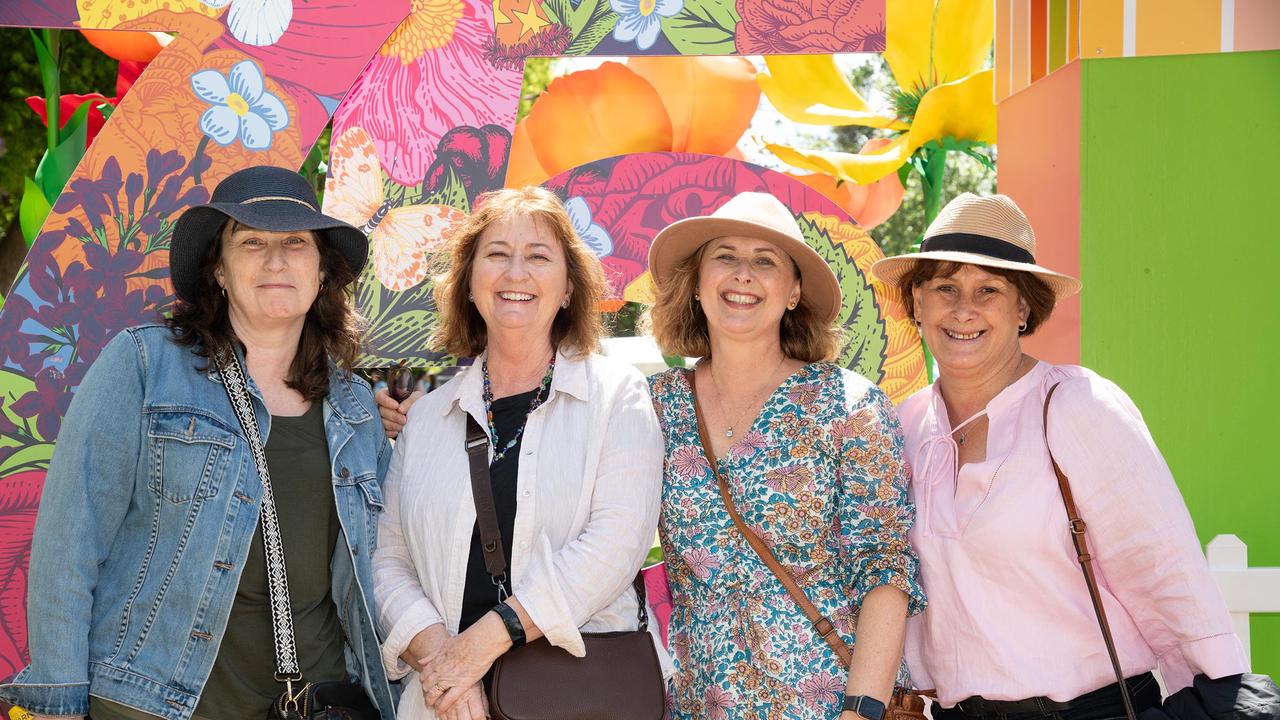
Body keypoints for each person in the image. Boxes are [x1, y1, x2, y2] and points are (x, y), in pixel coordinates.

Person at [0, 166, 396, 720]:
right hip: (158, 700)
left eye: (296, 243)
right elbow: (70, 543)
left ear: (322, 272)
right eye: (251, 241)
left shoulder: (356, 405)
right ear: (219, 269)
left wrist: (423, 433)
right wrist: (59, 702)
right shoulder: (144, 365)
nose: (276, 260)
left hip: (319, 700)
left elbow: (386, 562)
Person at [870, 193, 1249, 720]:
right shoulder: (903, 426)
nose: (963, 309)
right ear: (916, 302)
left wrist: (1218, 695)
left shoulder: (1077, 406)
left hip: (1093, 712)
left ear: (1023, 307)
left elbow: (1163, 568)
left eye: (989, 290)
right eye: (945, 288)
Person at [372, 186, 663, 720]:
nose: (516, 274)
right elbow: (387, 560)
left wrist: (482, 644)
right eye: (497, 255)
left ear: (571, 288)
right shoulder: (428, 421)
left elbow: (616, 546)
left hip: (579, 696)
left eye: (538, 257)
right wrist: (447, 668)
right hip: (444, 705)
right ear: (469, 282)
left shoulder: (616, 397)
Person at [643, 191, 926, 719]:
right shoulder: (655, 407)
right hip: (703, 706)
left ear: (794, 291)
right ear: (698, 284)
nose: (743, 273)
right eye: (725, 255)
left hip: (833, 703)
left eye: (766, 260)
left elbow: (885, 568)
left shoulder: (850, 404)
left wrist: (860, 710)